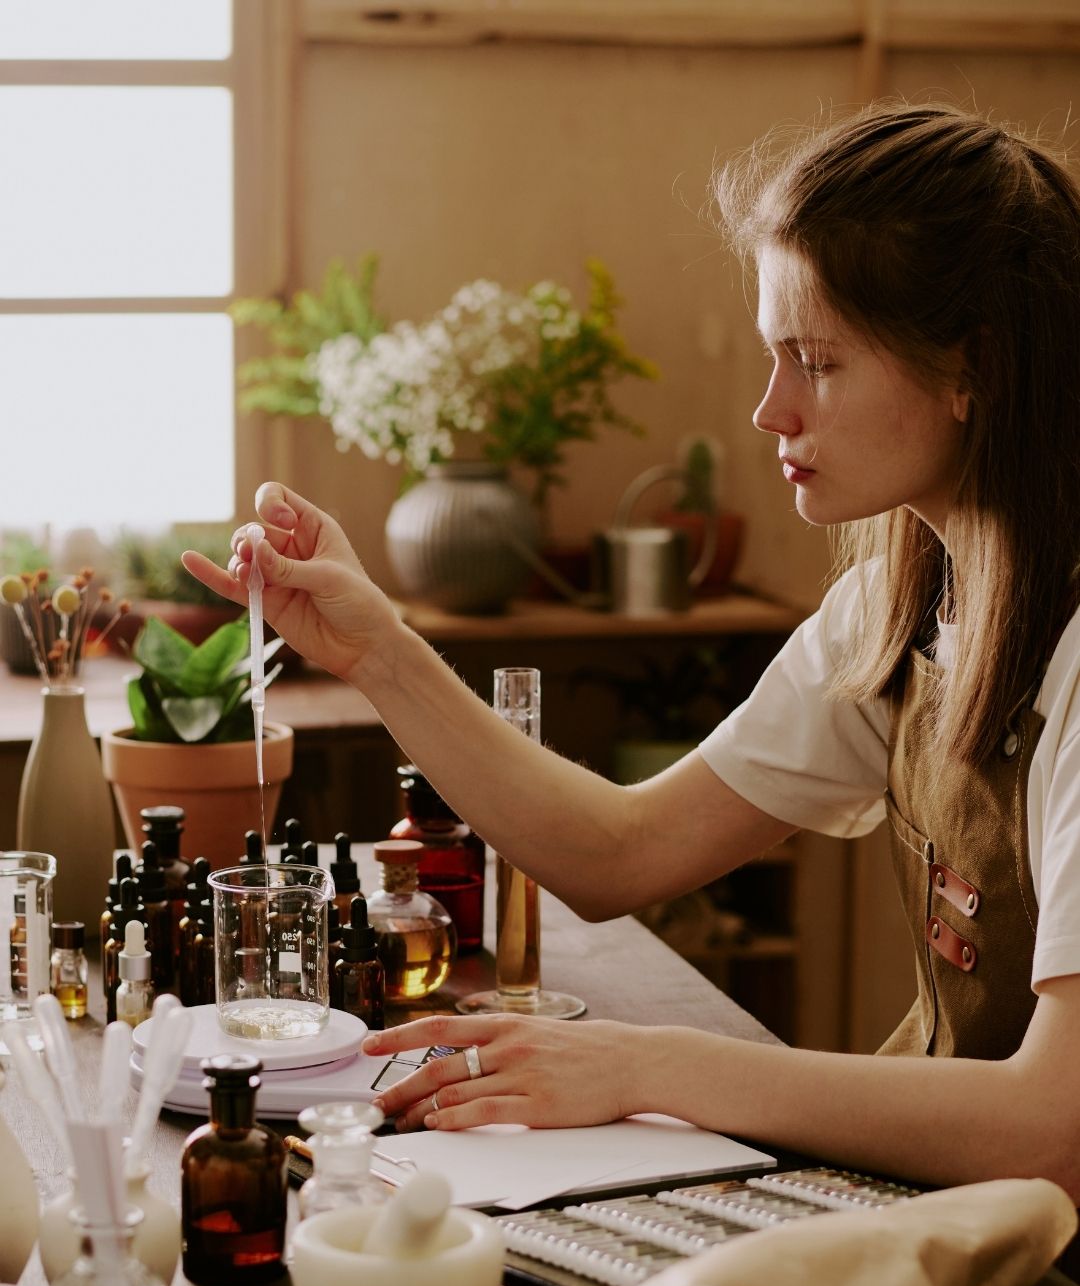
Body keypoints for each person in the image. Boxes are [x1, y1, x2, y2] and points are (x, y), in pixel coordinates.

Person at [184, 101, 1080, 1202]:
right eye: (772, 356)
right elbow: (618, 852)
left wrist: (653, 1066)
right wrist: (376, 648)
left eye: (817, 361)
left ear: (969, 368)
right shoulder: (896, 607)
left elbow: (1052, 1129)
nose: (768, 408)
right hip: (940, 1213)